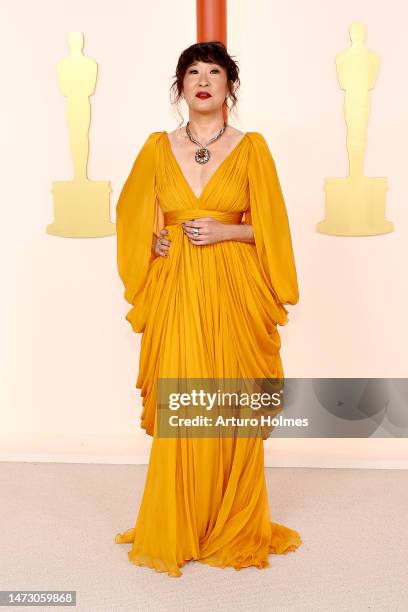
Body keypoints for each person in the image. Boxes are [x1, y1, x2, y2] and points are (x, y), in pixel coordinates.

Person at [114, 41, 302, 577]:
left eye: (213, 72)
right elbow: (131, 218)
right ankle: (180, 522)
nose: (203, 80)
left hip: (232, 284)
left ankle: (232, 522)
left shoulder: (252, 148)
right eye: (192, 72)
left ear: (229, 86)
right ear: (180, 86)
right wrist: (154, 243)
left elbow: (272, 228)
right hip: (177, 285)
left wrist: (228, 230)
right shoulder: (156, 147)